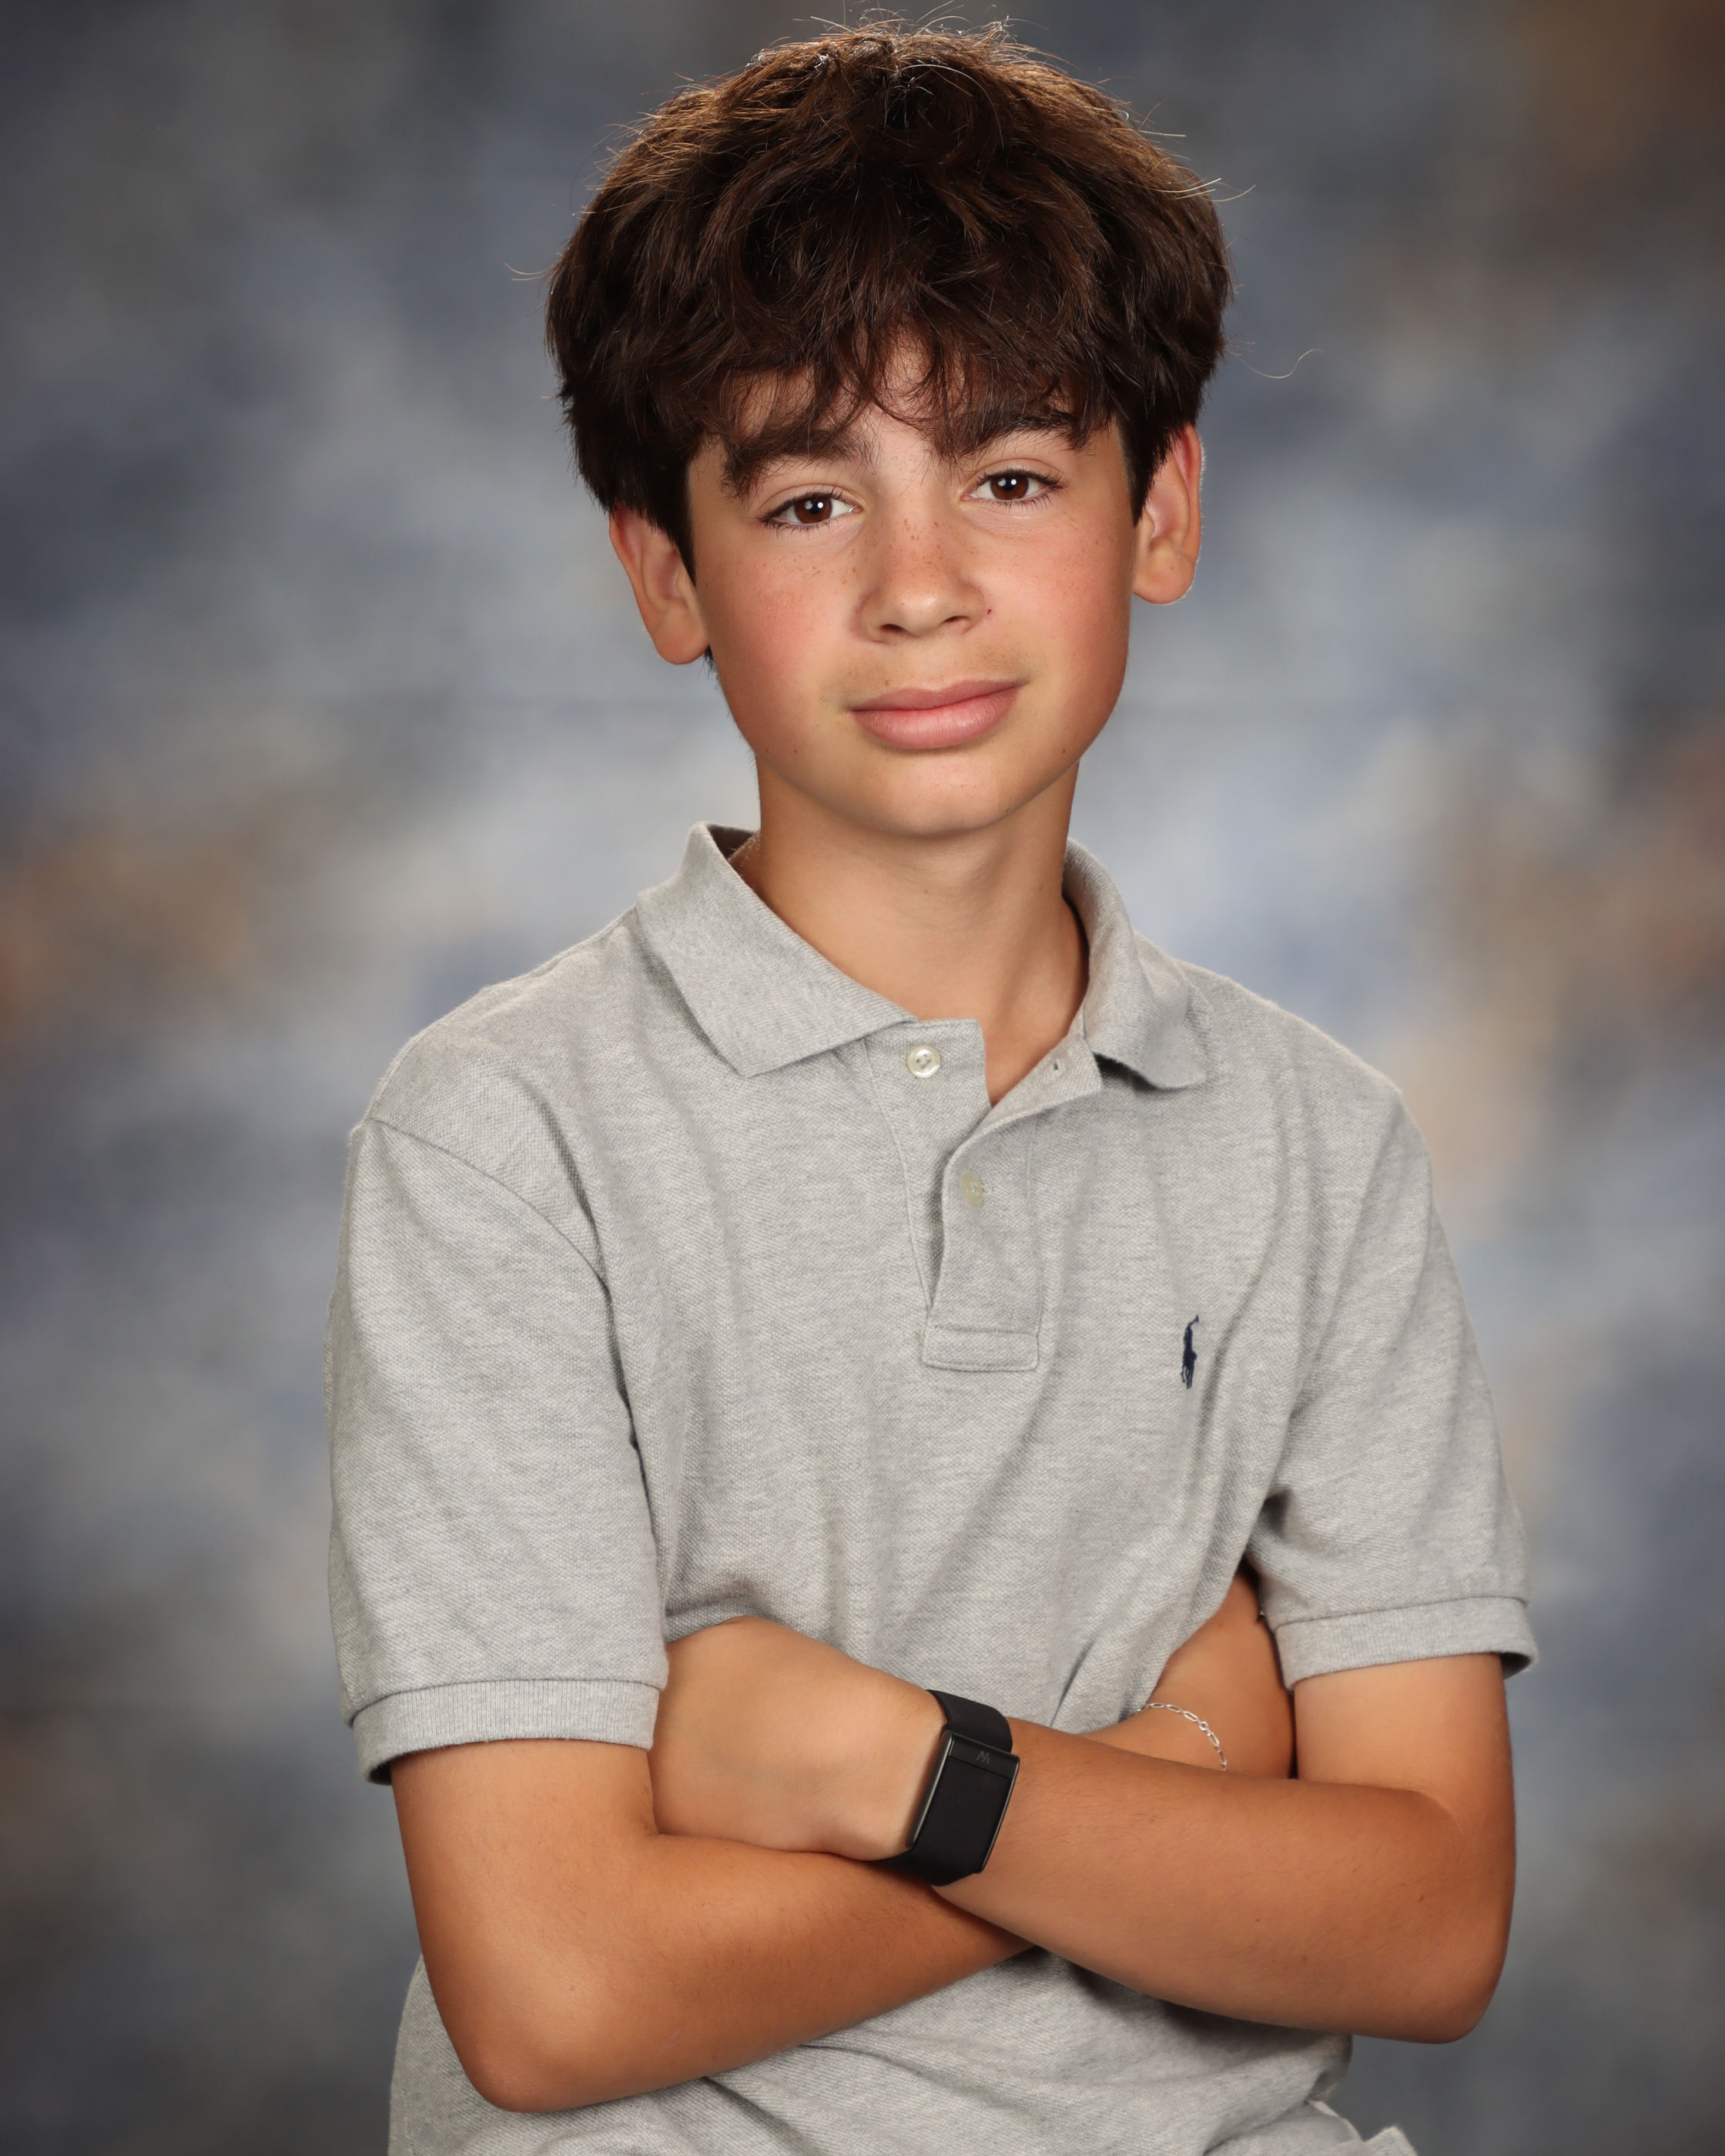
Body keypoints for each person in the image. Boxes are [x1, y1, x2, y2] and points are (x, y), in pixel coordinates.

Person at [325, 23, 1535, 2154]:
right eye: (810, 501)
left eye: (1011, 478)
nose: (919, 589)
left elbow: (1429, 1928)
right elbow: (555, 1991)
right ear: (667, 575)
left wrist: (897, 1772)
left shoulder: (1317, 1144)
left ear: (1160, 511)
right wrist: (1159, 1783)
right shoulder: (505, 1137)